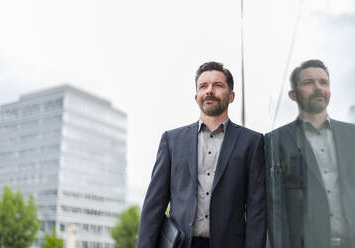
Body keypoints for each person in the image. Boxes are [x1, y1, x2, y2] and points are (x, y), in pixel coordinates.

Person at [137, 61, 266, 248]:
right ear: (196, 96)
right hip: (180, 243)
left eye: (218, 85)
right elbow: (153, 205)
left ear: (231, 96)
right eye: (203, 86)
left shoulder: (252, 142)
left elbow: (256, 210)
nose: (209, 90)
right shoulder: (171, 140)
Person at [265, 59, 355, 248]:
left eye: (323, 82)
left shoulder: (352, 134)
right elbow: (276, 207)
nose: (318, 87)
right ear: (294, 94)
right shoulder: (275, 140)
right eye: (308, 83)